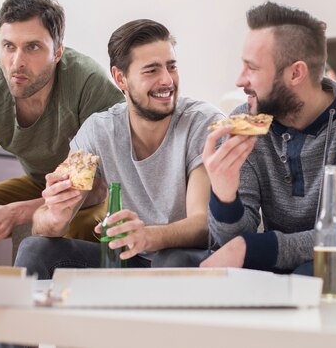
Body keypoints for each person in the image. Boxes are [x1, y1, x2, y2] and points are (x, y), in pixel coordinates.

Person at [0, 0, 123, 348]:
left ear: (58, 51)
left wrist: (17, 212)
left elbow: (99, 188)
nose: (17, 61)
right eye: (8, 46)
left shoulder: (89, 85)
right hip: (38, 183)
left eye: (33, 47)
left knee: (80, 224)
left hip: (88, 191)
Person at [14, 18, 223, 277]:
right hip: (133, 258)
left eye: (171, 67)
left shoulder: (203, 123)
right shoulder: (99, 131)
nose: (167, 80)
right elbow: (44, 224)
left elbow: (203, 225)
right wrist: (55, 217)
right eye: (151, 70)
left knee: (170, 260)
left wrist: (147, 236)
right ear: (120, 78)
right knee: (35, 249)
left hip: (189, 258)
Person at [200, 2, 336, 273]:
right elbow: (229, 244)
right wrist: (224, 195)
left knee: (306, 274)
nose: (239, 80)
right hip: (269, 269)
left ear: (296, 73)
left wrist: (251, 248)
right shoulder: (245, 123)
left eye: (252, 68)